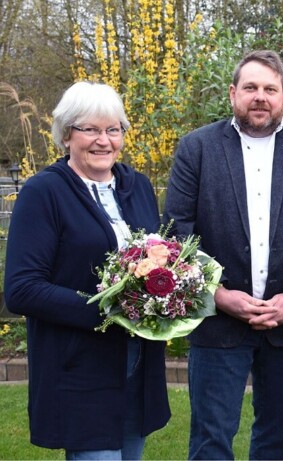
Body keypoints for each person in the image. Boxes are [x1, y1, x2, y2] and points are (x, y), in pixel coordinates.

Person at [163, 50, 283, 460]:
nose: (260, 97)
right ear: (233, 94)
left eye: (270, 89)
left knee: (274, 438)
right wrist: (216, 293)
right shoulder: (197, 148)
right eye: (251, 88)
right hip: (218, 321)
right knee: (211, 439)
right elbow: (178, 229)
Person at [4, 81, 170, 460]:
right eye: (90, 129)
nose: (103, 140)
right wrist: (110, 307)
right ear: (65, 135)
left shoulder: (138, 186)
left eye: (113, 130)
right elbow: (22, 289)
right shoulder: (44, 192)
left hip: (138, 362)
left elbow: (159, 258)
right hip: (80, 366)